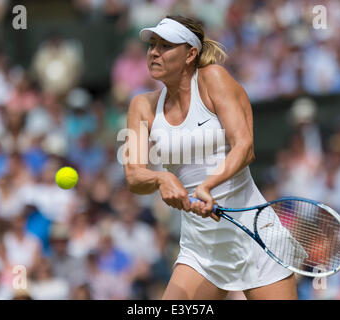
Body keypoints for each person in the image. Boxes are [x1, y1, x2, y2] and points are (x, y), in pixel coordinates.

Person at [123, 15, 297, 300]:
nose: (154, 52)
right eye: (152, 44)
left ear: (191, 54)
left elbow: (245, 146)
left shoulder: (214, 78)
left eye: (165, 45)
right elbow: (133, 176)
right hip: (200, 249)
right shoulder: (140, 105)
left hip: (257, 238)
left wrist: (207, 186)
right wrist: (161, 177)